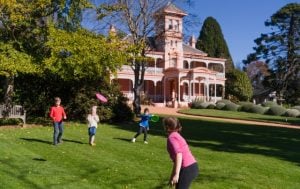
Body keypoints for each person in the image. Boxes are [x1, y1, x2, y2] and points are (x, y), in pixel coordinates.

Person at [163, 117, 199, 189]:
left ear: (167, 126)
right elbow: (176, 160)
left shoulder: (172, 137)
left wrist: (176, 174)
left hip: (187, 168)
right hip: (191, 167)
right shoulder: (176, 135)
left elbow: (179, 154)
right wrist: (172, 175)